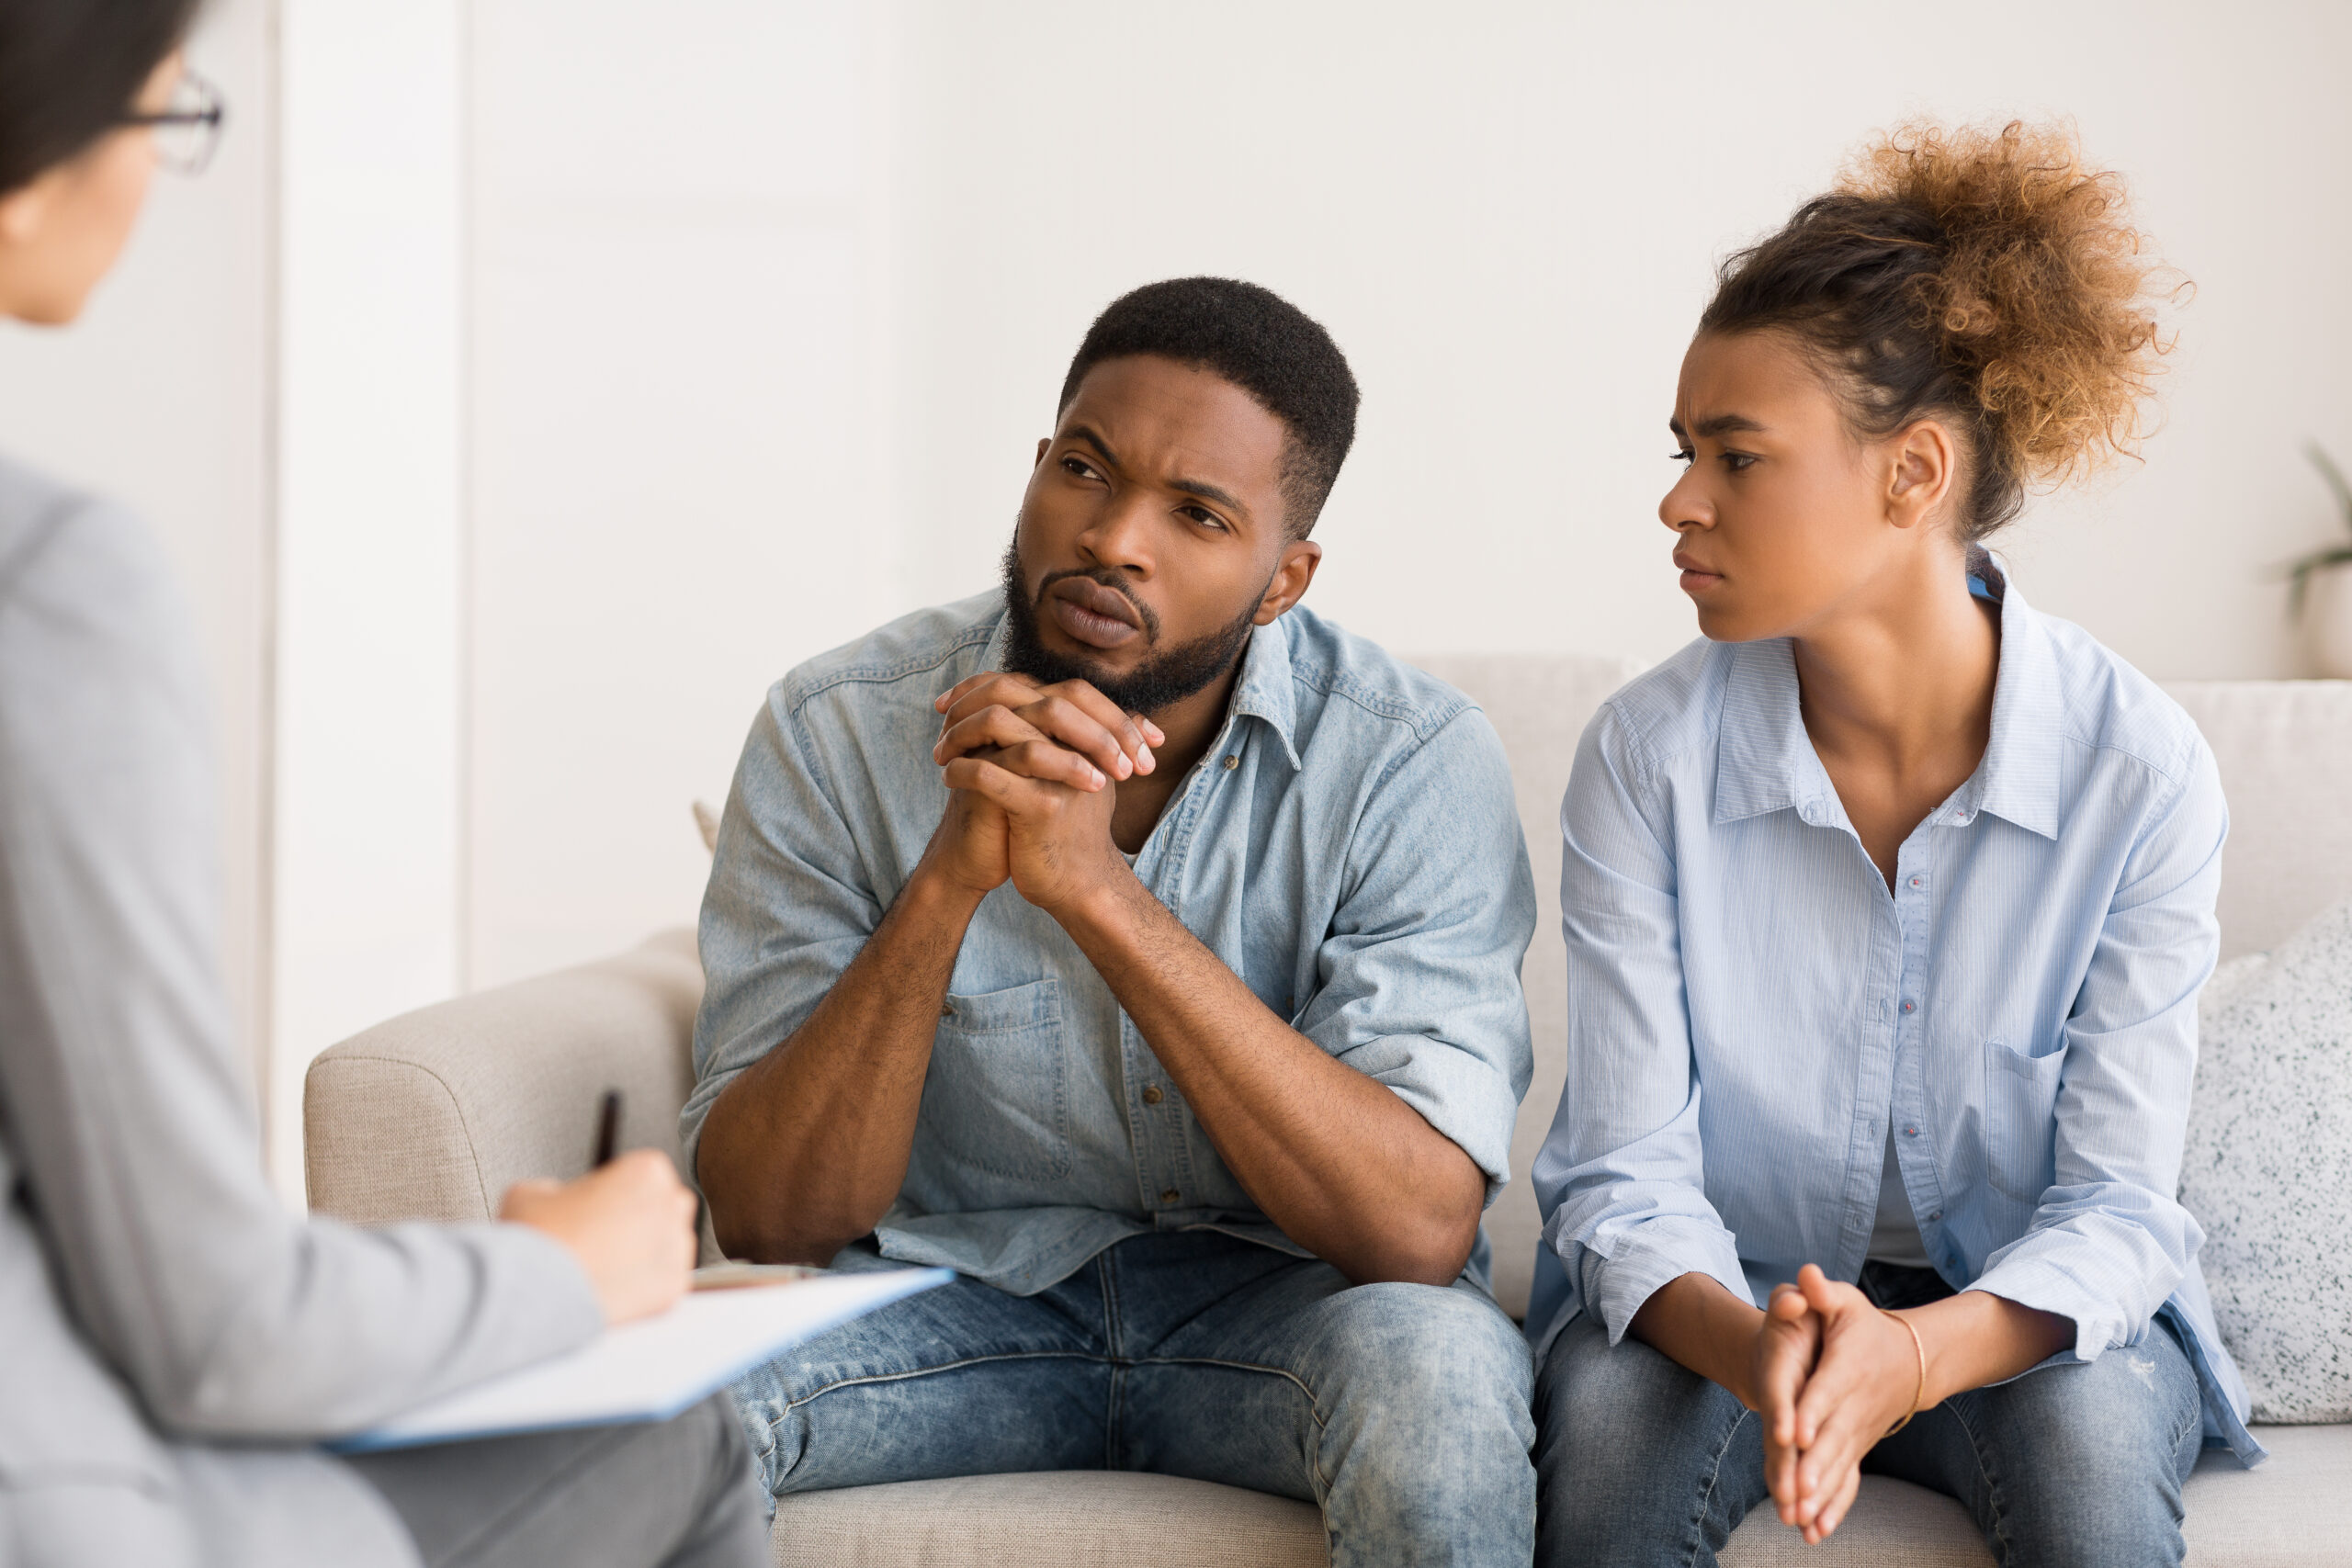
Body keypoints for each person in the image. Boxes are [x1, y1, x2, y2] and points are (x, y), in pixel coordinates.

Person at [0, 6, 766, 1564]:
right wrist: (567, 1270)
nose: (151, 176)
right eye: (163, 114)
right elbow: (217, 1326)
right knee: (689, 1432)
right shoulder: (48, 585)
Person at [689, 276, 1541, 1564]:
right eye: (1084, 470)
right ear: (1037, 467)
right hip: (950, 1302)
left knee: (1443, 1378)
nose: (1114, 540)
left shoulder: (1409, 760)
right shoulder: (835, 727)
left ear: (1282, 579)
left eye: (1198, 514)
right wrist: (949, 881)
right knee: (667, 1390)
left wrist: (1098, 895)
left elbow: (1414, 1232)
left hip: (1294, 1315)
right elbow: (769, 1220)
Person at [1525, 120, 2262, 1568]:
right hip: (1729, 1303)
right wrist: (1768, 1354)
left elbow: (2117, 1208)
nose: (1678, 501)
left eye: (1737, 457)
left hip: (2023, 1322)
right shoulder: (1645, 759)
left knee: (2090, 1464)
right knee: (1611, 1449)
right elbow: (1623, 1177)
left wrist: (1913, 1357)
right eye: (1684, 452)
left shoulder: (2140, 773)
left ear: (1913, 473)